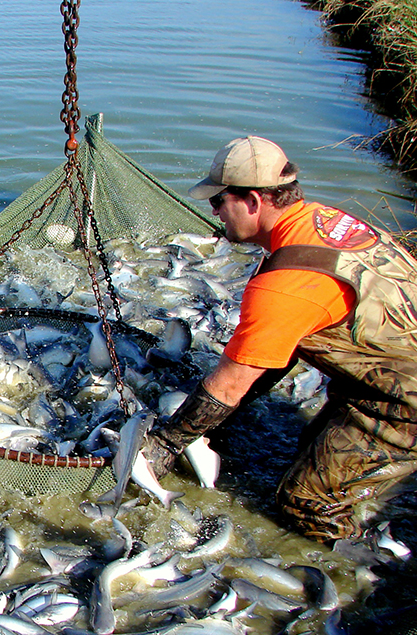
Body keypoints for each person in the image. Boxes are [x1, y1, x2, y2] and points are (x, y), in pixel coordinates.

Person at [142, 136, 417, 544]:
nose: (214, 211)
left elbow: (230, 382)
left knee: (304, 502)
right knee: (313, 450)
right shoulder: (322, 222)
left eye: (219, 201)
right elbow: (278, 349)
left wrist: (166, 442)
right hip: (381, 376)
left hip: (402, 402)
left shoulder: (285, 285)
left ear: (253, 201)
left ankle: (365, 568)